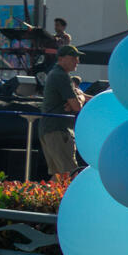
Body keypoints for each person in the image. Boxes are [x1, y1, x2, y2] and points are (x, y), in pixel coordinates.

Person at [39, 44, 84, 179]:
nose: (77, 61)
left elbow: (74, 99)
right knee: (71, 174)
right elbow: (77, 106)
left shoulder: (55, 74)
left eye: (78, 58)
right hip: (59, 130)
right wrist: (80, 97)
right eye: (73, 58)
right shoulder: (61, 76)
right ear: (61, 59)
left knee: (58, 177)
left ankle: (46, 199)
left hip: (49, 129)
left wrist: (79, 96)